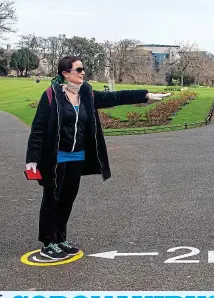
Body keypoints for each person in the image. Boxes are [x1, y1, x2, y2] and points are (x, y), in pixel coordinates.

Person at [26, 56, 170, 260]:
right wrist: (32, 158)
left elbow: (115, 97)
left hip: (77, 157)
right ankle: (48, 243)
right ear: (65, 73)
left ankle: (60, 239)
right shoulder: (51, 95)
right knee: (52, 200)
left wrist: (145, 95)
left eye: (83, 69)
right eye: (79, 69)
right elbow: (38, 128)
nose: (83, 72)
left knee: (67, 200)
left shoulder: (86, 94)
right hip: (56, 158)